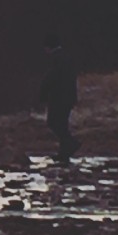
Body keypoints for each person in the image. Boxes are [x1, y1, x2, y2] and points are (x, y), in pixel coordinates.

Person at [38, 33, 79, 163]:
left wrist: (43, 93)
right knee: (62, 124)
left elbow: (51, 78)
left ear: (48, 46)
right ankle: (64, 153)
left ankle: (71, 143)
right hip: (68, 96)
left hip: (58, 97)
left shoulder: (56, 59)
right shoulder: (66, 57)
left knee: (53, 123)